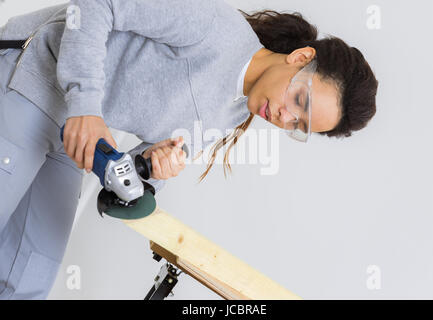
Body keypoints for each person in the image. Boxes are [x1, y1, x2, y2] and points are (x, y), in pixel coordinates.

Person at [0, 0, 378, 299]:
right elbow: (97, 3)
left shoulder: (230, 113)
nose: (284, 116)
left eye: (299, 125)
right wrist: (85, 104)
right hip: (30, 76)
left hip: (73, 137)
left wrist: (150, 167)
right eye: (299, 100)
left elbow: (125, 175)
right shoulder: (212, 26)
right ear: (301, 58)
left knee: (29, 277)